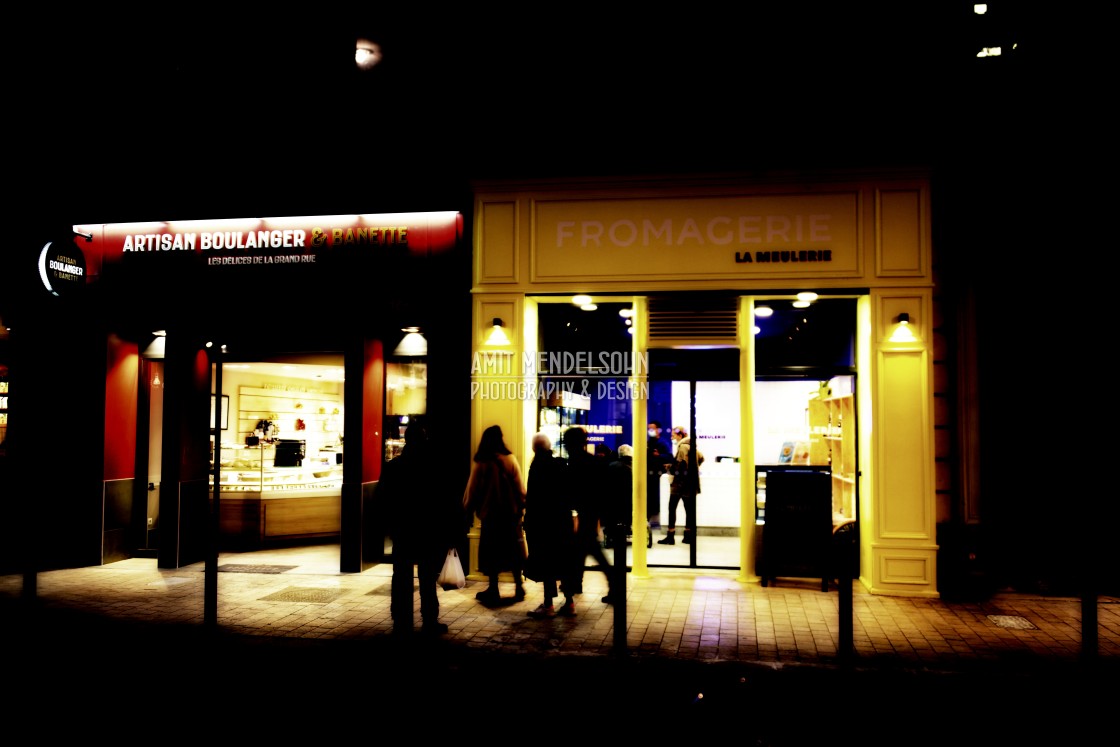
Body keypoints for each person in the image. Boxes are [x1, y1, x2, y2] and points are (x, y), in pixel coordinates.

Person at [378, 422, 462, 635]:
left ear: (407, 441)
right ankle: (430, 619)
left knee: (401, 577)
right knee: (427, 577)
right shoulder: (434, 467)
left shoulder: (395, 466)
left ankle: (401, 620)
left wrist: (390, 525)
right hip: (429, 530)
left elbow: (383, 499)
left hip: (403, 530)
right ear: (425, 439)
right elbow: (445, 500)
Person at [462, 424, 527, 605]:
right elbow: (520, 489)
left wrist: (467, 509)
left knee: (492, 553)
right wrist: (522, 507)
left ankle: (493, 588)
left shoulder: (482, 463)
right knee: (513, 551)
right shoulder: (510, 459)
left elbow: (472, 490)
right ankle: (518, 586)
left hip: (491, 517)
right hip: (511, 516)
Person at [523, 432, 578, 618]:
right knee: (563, 563)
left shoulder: (537, 466)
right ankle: (569, 602)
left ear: (534, 448)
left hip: (543, 523)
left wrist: (527, 521)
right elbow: (570, 493)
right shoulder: (561, 464)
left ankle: (548, 605)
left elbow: (533, 498)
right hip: (562, 522)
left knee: (546, 564)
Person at [563, 426, 616, 605]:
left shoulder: (576, 462)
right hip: (591, 511)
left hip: (586, 512)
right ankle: (576, 583)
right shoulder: (590, 461)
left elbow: (574, 489)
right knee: (583, 549)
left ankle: (612, 585)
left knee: (588, 549)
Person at [658, 426, 705, 545]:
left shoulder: (683, 447)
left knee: (672, 508)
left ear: (680, 436)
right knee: (689, 510)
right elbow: (701, 458)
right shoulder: (692, 446)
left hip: (679, 484)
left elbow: (681, 464)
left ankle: (670, 536)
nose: (671, 437)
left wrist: (671, 468)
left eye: (673, 435)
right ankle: (688, 536)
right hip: (690, 484)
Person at [606, 443, 640, 548]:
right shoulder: (636, 467)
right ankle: (628, 528)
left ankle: (611, 532)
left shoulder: (611, 466)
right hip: (630, 500)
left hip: (613, 500)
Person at [646, 421, 673, 529]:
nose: (650, 431)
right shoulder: (648, 442)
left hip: (658, 475)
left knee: (655, 497)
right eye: (649, 429)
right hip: (648, 474)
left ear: (658, 430)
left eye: (652, 428)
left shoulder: (663, 443)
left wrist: (659, 455)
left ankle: (654, 519)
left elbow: (669, 457)